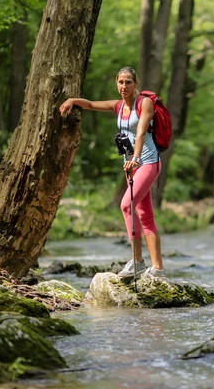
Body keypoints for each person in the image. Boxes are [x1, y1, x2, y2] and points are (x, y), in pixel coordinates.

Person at [59, 66, 166, 278]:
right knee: (145, 215)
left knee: (127, 206)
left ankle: (137, 262)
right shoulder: (118, 106)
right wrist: (72, 100)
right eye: (120, 82)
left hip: (147, 162)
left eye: (128, 82)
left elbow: (141, 131)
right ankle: (157, 268)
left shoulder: (143, 103)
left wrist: (135, 158)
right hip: (130, 167)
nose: (124, 86)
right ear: (116, 83)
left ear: (136, 84)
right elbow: (89, 104)